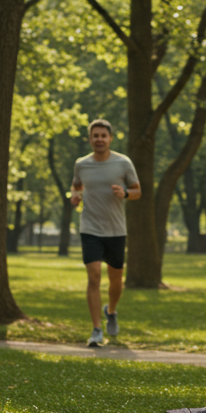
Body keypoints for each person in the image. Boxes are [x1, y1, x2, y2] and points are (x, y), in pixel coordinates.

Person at [70, 119, 140, 347]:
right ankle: (97, 330)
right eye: (95, 136)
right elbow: (77, 186)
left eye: (103, 135)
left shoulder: (123, 163)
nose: (99, 139)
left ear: (110, 138)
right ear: (89, 139)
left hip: (116, 229)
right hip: (90, 228)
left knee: (116, 281)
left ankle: (111, 310)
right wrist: (74, 196)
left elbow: (138, 191)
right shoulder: (81, 164)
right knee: (94, 277)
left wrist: (126, 193)